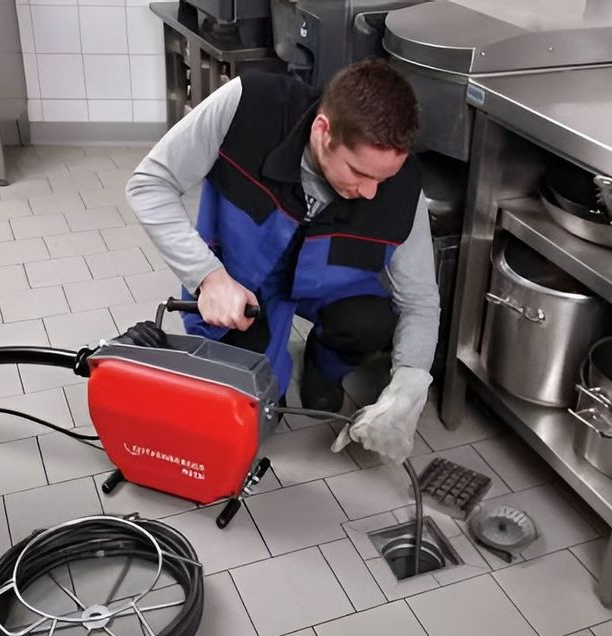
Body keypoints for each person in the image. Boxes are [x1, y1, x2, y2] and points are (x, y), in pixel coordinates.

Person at [126, 59, 440, 463]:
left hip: (326, 285)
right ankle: (258, 354)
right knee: (248, 415)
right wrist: (208, 278)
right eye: (360, 172)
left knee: (371, 321)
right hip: (242, 282)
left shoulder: (401, 188)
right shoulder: (247, 106)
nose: (371, 193)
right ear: (323, 130)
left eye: (384, 178)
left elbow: (419, 300)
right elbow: (150, 183)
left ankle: (323, 366)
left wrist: (411, 382)